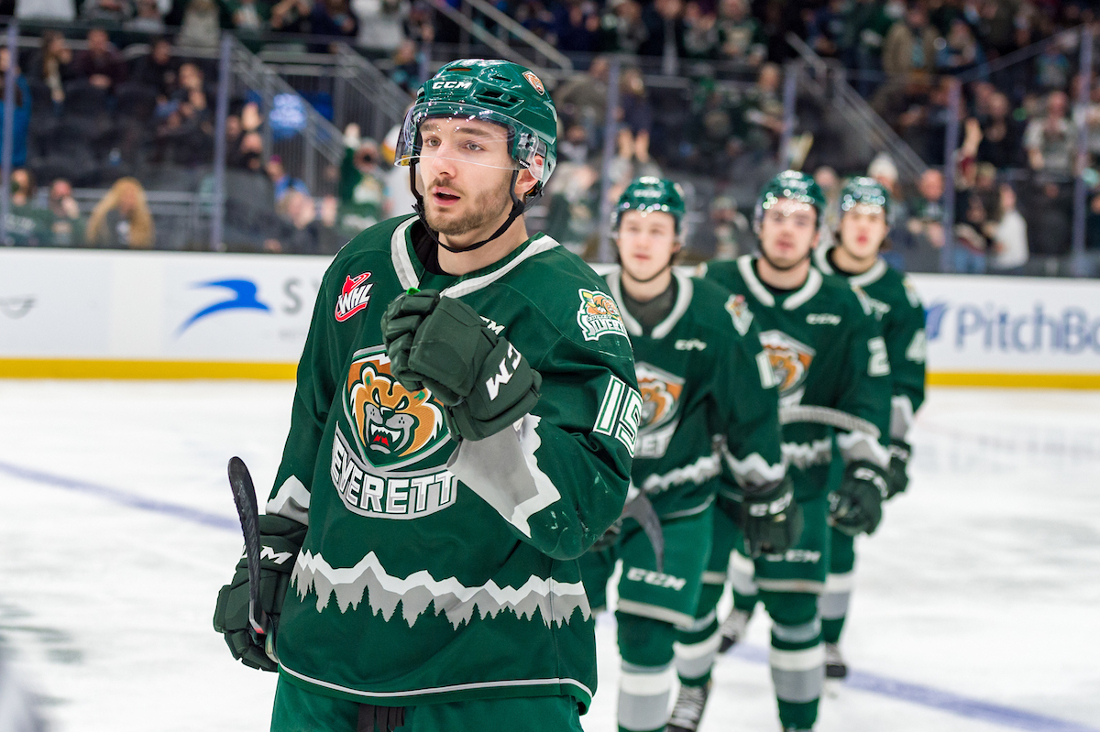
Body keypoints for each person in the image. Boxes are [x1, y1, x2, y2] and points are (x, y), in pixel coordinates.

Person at [212, 59, 641, 732]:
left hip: (495, 677)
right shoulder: (361, 264)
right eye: (431, 138)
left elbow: (583, 515)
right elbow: (316, 429)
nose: (441, 162)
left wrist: (490, 391)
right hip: (325, 663)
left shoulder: (572, 305)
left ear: (527, 169)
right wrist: (274, 547)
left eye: (472, 145)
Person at [669, 171, 892, 732]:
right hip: (715, 485)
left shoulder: (848, 307)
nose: (788, 231)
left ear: (820, 233)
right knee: (693, 604)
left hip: (802, 486)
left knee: (796, 619)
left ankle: (798, 724)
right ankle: (692, 690)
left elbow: (868, 398)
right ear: (758, 225)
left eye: (802, 221)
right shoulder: (715, 286)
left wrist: (868, 469)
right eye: (777, 218)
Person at [578, 177, 794, 732]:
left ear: (678, 240)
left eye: (658, 230)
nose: (643, 241)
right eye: (633, 228)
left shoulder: (718, 314)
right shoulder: (578, 301)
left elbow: (751, 411)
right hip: (586, 501)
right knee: (554, 632)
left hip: (676, 502)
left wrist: (766, 488)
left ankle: (690, 689)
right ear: (615, 234)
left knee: (649, 639)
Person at [809, 177, 927, 679]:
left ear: (886, 230)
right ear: (838, 223)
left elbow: (904, 383)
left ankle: (830, 640)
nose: (862, 229)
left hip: (853, 431)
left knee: (842, 528)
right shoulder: (804, 274)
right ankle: (745, 607)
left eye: (873, 220)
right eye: (854, 217)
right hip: (791, 425)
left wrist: (892, 448)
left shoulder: (899, 297)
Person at [85, 177, 155, 249]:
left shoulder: (141, 221)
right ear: (118, 196)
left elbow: (145, 243)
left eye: (133, 196)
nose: (130, 200)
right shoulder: (105, 218)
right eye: (127, 195)